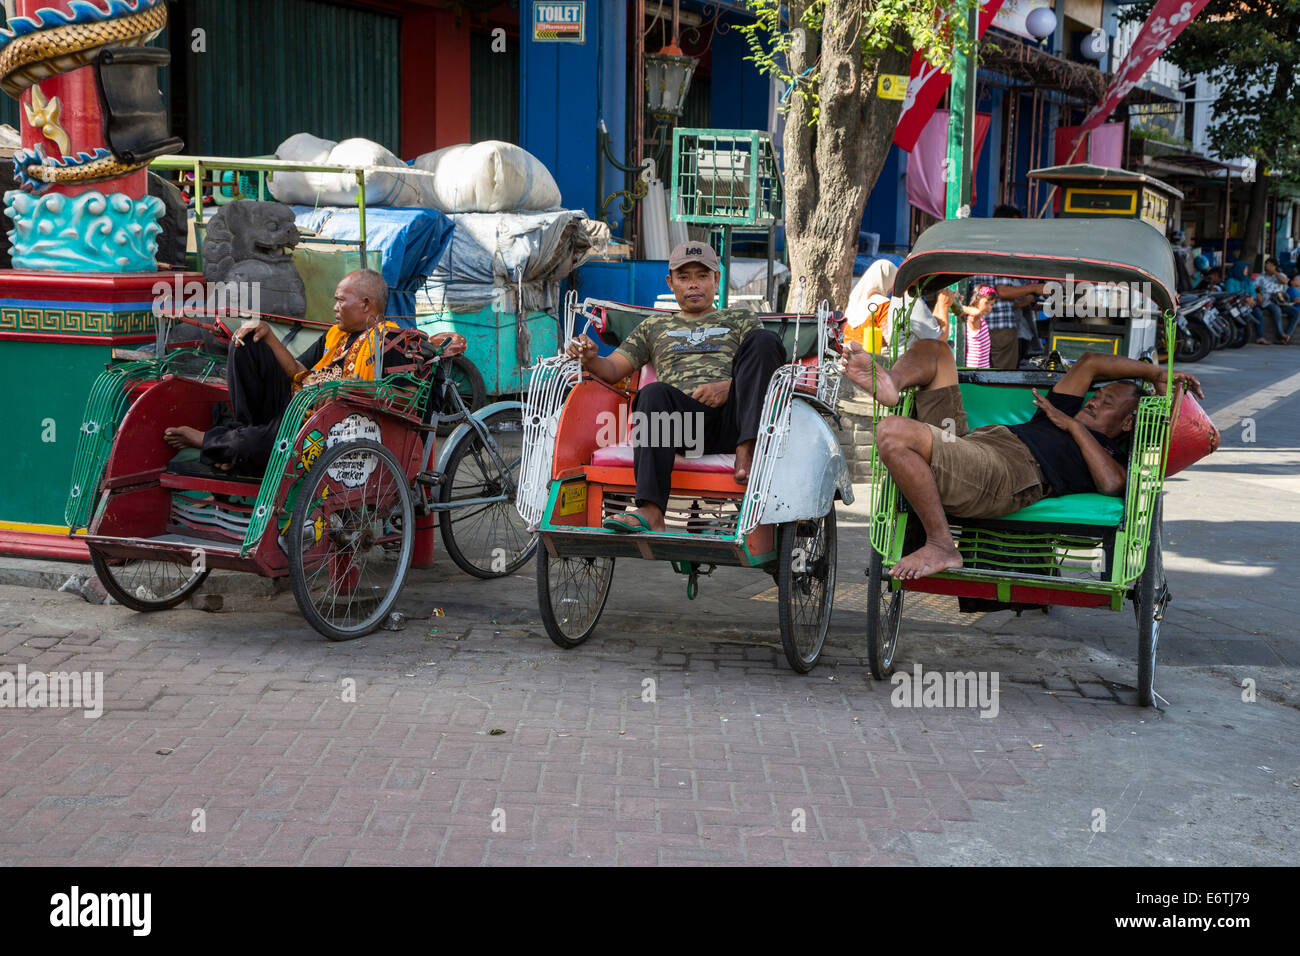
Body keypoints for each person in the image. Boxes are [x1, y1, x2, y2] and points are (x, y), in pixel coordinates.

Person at [841, 337, 1203, 579]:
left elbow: (1112, 485)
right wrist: (1157, 372)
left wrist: (1074, 428)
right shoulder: (1061, 409)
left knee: (892, 432)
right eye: (1097, 396)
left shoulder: (1107, 452)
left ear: (1126, 422)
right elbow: (1090, 363)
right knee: (935, 350)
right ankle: (891, 382)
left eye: (1106, 403)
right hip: (971, 445)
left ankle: (941, 546)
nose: (1093, 401)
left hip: (1006, 474)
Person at [564, 241, 785, 534]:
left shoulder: (739, 318)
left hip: (737, 419)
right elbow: (614, 367)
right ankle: (652, 511)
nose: (693, 285)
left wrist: (730, 387)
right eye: (684, 277)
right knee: (652, 393)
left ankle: (748, 449)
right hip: (685, 426)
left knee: (766, 341)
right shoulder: (654, 327)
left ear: (716, 279)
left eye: (702, 276)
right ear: (671, 283)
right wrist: (591, 359)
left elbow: (763, 364)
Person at [163, 269, 459, 475]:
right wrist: (266, 334)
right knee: (245, 345)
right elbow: (299, 372)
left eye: (341, 300)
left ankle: (218, 443)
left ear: (367, 304)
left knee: (275, 438)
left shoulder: (388, 342)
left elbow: (402, 397)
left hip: (341, 427)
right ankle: (240, 438)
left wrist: (343, 391)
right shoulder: (335, 336)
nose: (335, 307)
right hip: (302, 408)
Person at [934, 285, 994, 368]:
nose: (989, 307)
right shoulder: (973, 318)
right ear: (976, 300)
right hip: (973, 370)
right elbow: (976, 312)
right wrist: (956, 305)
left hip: (983, 369)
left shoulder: (980, 320)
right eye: (986, 303)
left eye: (992, 304)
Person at [1255, 257, 1300, 344]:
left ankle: (1286, 336)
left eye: (1269, 264)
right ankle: (1281, 334)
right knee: (1276, 309)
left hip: (1281, 301)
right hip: (1268, 301)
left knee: (1296, 313)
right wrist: (1258, 294)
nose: (1266, 266)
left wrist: (1274, 272)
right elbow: (1253, 288)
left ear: (1274, 266)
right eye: (1266, 264)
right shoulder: (1261, 277)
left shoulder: (1281, 275)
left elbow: (1284, 281)